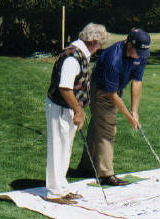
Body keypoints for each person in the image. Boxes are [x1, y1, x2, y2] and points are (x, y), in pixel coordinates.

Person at [45, 23, 109, 204]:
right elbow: (65, 88)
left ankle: (62, 187)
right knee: (58, 147)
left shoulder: (80, 53)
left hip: (67, 107)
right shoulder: (73, 57)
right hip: (60, 107)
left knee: (66, 147)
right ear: (94, 41)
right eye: (100, 43)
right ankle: (54, 192)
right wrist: (78, 110)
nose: (101, 47)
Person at [77, 28, 151, 186]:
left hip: (116, 88)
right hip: (101, 90)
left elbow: (137, 81)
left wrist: (135, 111)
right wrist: (129, 117)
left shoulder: (141, 54)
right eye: (136, 51)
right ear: (129, 44)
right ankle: (105, 174)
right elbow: (111, 95)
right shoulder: (113, 58)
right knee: (108, 128)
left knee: (98, 125)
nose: (138, 56)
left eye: (141, 53)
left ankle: (86, 166)